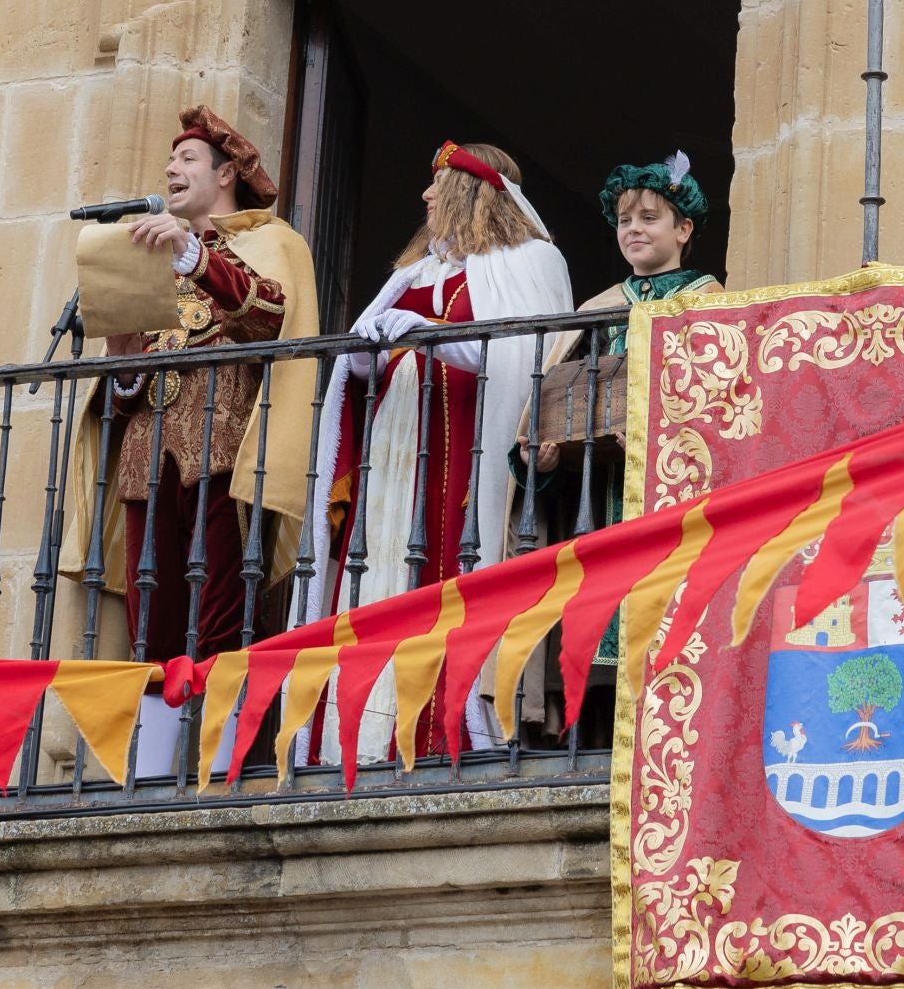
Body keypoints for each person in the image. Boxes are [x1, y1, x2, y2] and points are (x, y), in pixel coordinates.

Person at [303, 142, 572, 763]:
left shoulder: (531, 261)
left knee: (440, 573)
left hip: (461, 453)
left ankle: (437, 735)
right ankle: (362, 739)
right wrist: (366, 353)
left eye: (438, 186)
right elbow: (364, 374)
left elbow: (522, 358)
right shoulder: (414, 272)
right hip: (395, 450)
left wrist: (430, 338)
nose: (425, 198)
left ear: (474, 193)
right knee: (380, 579)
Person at [61, 106, 321, 679]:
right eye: (170, 160)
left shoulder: (271, 242)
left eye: (187, 158)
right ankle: (154, 761)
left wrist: (195, 256)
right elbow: (124, 395)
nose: (170, 169)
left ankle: (214, 751)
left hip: (224, 455)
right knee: (150, 631)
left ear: (226, 174)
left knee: (221, 625)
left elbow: (272, 317)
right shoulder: (154, 264)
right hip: (145, 464)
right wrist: (123, 358)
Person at [503, 152, 722, 741]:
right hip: (595, 505)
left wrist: (666, 437)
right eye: (626, 220)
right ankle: (589, 744)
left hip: (673, 509)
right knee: (591, 645)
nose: (635, 229)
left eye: (651, 217)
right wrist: (537, 464)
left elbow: (729, 412)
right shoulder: (596, 309)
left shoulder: (713, 305)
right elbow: (546, 410)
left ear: (684, 229)